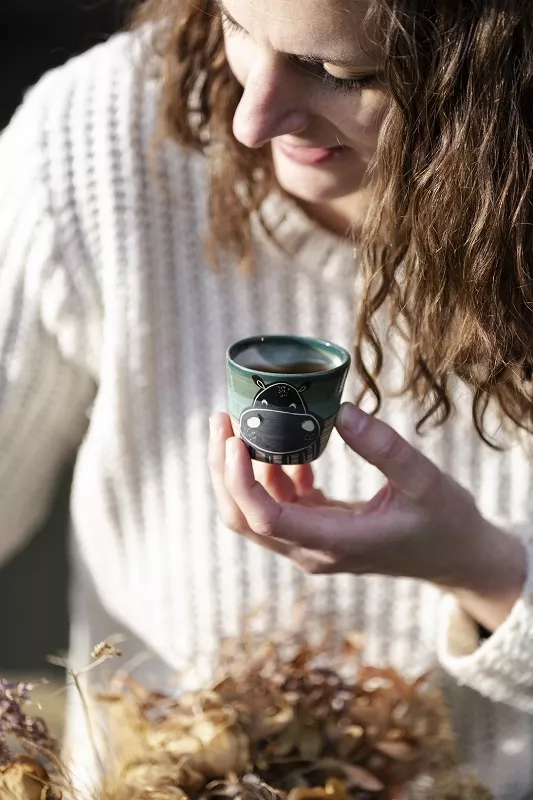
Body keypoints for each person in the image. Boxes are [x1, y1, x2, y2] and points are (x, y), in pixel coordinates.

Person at [0, 0, 532, 796]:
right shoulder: (102, 139)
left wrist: (484, 569)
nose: (252, 119)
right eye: (236, 25)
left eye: (343, 73)